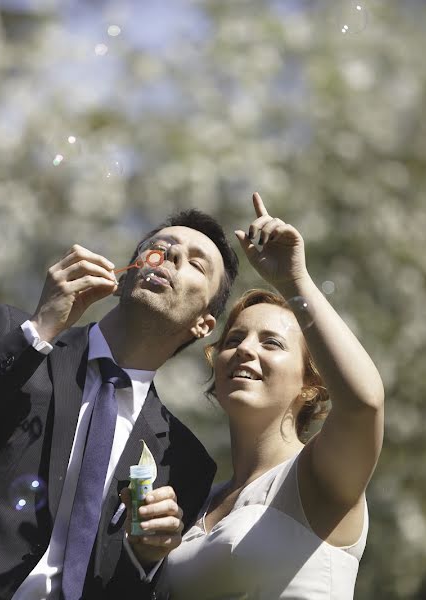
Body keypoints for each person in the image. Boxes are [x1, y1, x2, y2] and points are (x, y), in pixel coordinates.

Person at [0, 209, 239, 600]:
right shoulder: (11, 336)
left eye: (196, 263)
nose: (172, 257)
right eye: (161, 248)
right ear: (126, 274)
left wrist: (146, 558)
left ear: (203, 324)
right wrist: (40, 329)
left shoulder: (183, 462)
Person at [129, 193, 385, 599]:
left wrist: (295, 282)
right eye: (234, 339)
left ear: (311, 385)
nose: (246, 349)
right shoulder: (198, 499)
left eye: (272, 343)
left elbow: (364, 404)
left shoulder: (319, 476)